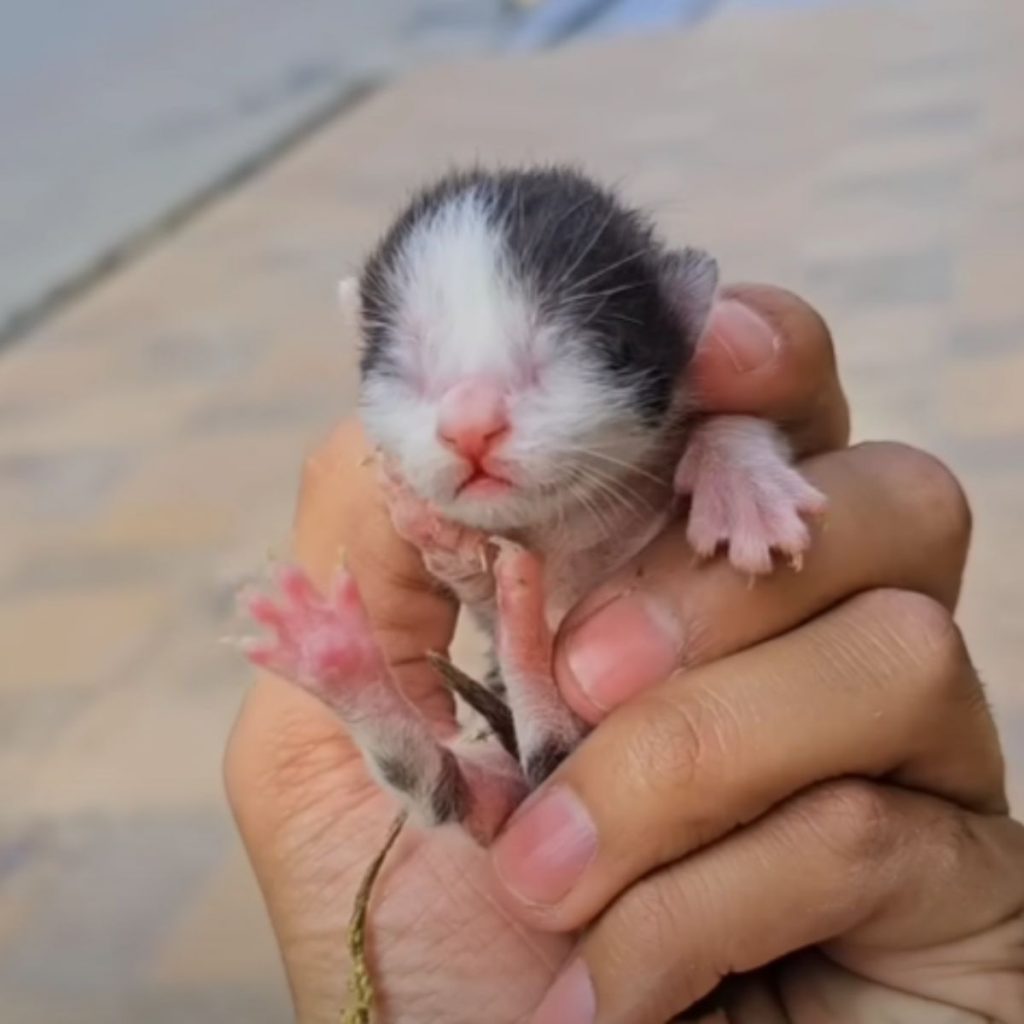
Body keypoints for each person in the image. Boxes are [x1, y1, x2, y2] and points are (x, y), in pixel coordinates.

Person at [225, 285, 1024, 1023]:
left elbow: (716, 423)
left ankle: (415, 685)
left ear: (670, 319)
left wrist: (733, 455)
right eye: (419, 371)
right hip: (530, 791)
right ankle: (368, 694)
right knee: (494, 779)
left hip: (610, 785)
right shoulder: (470, 517)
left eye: (550, 360)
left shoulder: (683, 410)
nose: (467, 418)